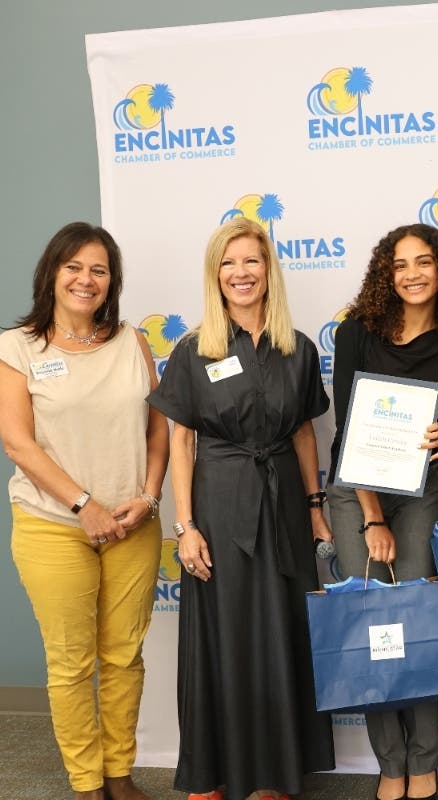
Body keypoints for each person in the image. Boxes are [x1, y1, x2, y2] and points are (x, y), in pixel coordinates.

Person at [148, 217, 336, 800]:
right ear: (215, 275)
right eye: (229, 264)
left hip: (283, 504)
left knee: (282, 632)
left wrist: (314, 508)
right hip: (220, 505)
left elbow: (305, 432)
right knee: (224, 635)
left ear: (268, 269)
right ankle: (214, 771)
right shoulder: (194, 349)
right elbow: (181, 441)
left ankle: (275, 775)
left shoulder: (297, 347)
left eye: (252, 261)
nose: (241, 273)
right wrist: (186, 526)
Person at [0, 222, 168, 800]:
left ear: (111, 282)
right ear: (52, 272)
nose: (85, 279)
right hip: (53, 526)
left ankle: (119, 774)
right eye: (74, 266)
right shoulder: (17, 346)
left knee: (124, 657)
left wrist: (148, 497)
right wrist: (84, 506)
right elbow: (18, 442)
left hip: (133, 524)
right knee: (71, 664)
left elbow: (158, 429)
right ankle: (85, 782)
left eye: (98, 270)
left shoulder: (131, 341)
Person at [326, 223, 438, 800]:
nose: (412, 274)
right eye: (399, 265)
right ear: (384, 275)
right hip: (356, 494)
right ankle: (390, 763)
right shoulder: (356, 334)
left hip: (422, 492)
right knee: (369, 625)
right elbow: (348, 434)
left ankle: (425, 758)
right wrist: (371, 516)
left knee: (414, 622)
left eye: (424, 262)